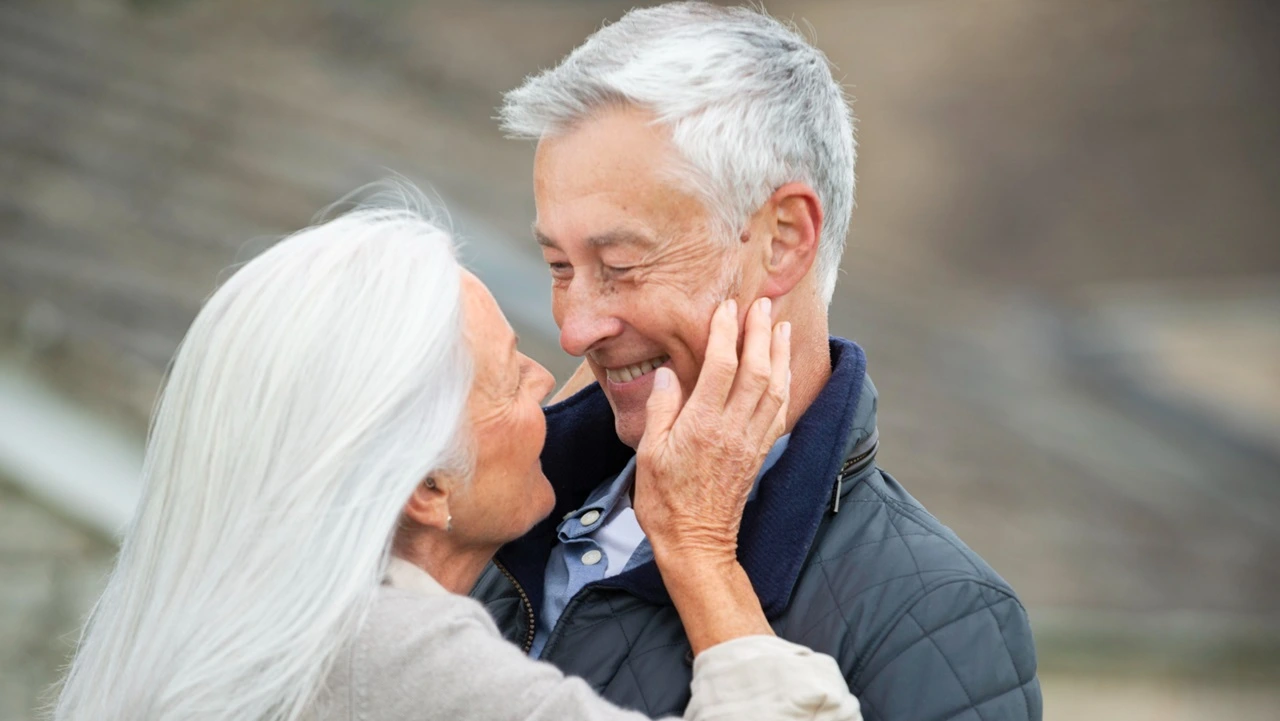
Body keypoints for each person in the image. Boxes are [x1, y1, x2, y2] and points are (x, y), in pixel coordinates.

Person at [50, 198, 862, 721]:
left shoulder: (252, 620)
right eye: (511, 378)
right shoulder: (387, 652)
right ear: (427, 488)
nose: (555, 373)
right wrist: (701, 546)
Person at [472, 3, 1043, 720]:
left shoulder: (939, 619)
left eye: (618, 263)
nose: (575, 328)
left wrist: (702, 561)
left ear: (782, 239)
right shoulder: (479, 509)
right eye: (558, 265)